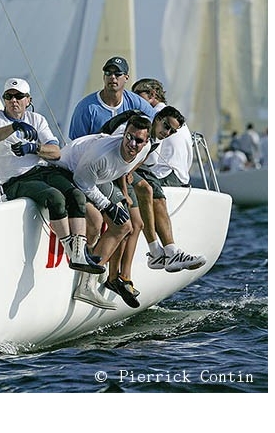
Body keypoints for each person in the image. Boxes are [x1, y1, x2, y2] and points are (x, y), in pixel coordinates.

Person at [0, 78, 104, 276]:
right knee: (55, 198)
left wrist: (33, 148)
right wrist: (15, 127)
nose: (14, 100)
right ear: (4, 99)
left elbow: (55, 152)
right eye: (9, 96)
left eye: (19, 96)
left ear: (28, 100)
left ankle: (80, 252)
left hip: (42, 171)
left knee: (77, 196)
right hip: (15, 180)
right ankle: (71, 254)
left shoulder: (37, 119)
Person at [52, 115, 154, 309]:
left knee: (125, 225)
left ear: (146, 141)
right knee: (97, 220)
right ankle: (86, 286)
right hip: (70, 172)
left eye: (138, 140)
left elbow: (126, 168)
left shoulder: (145, 149)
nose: (132, 144)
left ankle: (102, 277)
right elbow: (82, 182)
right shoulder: (100, 155)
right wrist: (107, 205)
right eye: (129, 137)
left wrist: (123, 195)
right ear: (124, 134)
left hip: (98, 178)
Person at [128, 105, 206, 272]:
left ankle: (170, 252)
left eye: (172, 131)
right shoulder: (139, 128)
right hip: (117, 164)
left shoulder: (154, 140)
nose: (167, 132)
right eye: (166, 126)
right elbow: (122, 156)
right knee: (147, 191)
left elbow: (141, 161)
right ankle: (156, 252)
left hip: (137, 168)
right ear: (157, 119)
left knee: (159, 197)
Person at [68, 56, 157, 141]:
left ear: (126, 78)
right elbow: (77, 144)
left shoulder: (137, 103)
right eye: (108, 73)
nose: (112, 77)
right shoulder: (86, 107)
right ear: (104, 77)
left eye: (117, 74)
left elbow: (156, 127)